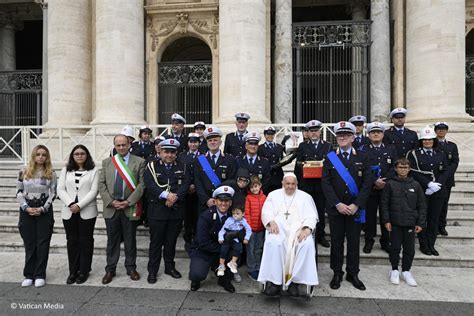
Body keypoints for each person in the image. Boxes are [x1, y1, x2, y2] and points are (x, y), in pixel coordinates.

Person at [321, 121, 372, 291]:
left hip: (354, 210)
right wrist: (337, 203)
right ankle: (337, 272)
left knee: (353, 242)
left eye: (346, 135)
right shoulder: (330, 157)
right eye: (339, 135)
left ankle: (353, 273)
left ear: (353, 137)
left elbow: (367, 183)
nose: (342, 137)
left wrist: (357, 205)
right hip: (337, 209)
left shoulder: (363, 157)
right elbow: (326, 183)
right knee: (336, 242)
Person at [258, 173, 319, 298]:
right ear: (282, 183)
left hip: (298, 231)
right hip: (278, 230)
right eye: (287, 183)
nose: (290, 186)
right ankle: (275, 282)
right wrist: (271, 221)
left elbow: (312, 216)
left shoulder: (305, 197)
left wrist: (307, 229)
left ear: (297, 184)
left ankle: (295, 283)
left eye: (293, 184)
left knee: (306, 244)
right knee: (274, 243)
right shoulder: (273, 195)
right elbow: (266, 212)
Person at [98, 134, 145, 284]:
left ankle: (131, 267)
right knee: (112, 241)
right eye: (118, 145)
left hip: (129, 207)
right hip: (112, 208)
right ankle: (110, 269)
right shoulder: (107, 162)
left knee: (130, 239)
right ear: (114, 146)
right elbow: (101, 184)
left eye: (124, 144)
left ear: (129, 144)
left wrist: (128, 201)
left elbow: (142, 185)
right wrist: (111, 201)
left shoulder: (140, 162)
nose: (121, 147)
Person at [144, 139, 190, 283]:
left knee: (171, 242)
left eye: (172, 152)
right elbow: (149, 184)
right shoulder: (152, 166)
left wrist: (175, 197)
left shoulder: (183, 166)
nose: (169, 155)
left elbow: (186, 184)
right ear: (160, 152)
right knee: (156, 243)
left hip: (175, 211)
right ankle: (152, 270)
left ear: (176, 153)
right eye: (166, 151)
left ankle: (169, 267)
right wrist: (166, 195)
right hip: (157, 211)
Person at [381, 158, 427, 287]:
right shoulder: (390, 184)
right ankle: (394, 269)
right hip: (394, 222)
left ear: (409, 169)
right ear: (395, 169)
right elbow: (384, 204)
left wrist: (420, 222)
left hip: (410, 222)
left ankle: (406, 271)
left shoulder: (416, 185)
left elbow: (422, 205)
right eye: (400, 167)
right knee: (394, 247)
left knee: (409, 249)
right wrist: (386, 220)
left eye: (405, 167)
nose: (403, 170)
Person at [16, 145, 57, 288]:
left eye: (44, 155)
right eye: (38, 154)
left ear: (47, 157)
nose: (41, 157)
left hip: (43, 210)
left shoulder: (51, 173)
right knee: (30, 243)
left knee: (43, 243)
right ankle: (28, 274)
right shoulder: (23, 171)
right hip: (27, 209)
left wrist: (42, 208)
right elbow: (19, 192)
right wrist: (26, 208)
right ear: (33, 156)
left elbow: (53, 193)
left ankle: (40, 274)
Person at [57, 145, 98, 285]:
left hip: (87, 210)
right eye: (76, 154)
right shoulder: (65, 170)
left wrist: (79, 205)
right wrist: (70, 204)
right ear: (72, 156)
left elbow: (94, 191)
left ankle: (84, 271)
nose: (79, 156)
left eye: (82, 153)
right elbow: (60, 189)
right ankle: (73, 271)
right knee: (72, 241)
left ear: (87, 155)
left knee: (86, 241)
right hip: (68, 211)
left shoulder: (93, 171)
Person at [407, 126, 448, 256]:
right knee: (422, 219)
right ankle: (424, 245)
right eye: (424, 140)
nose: (427, 142)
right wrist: (428, 184)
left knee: (434, 219)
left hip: (438, 191)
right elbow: (412, 171)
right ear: (421, 141)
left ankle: (432, 244)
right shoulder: (414, 154)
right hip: (422, 190)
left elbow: (446, 171)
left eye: (430, 139)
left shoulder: (441, 153)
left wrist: (438, 184)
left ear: (434, 140)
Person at [188, 186, 237, 293]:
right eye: (220, 200)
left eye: (226, 201)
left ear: (230, 203)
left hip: (221, 251)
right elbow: (203, 243)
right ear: (215, 201)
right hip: (203, 250)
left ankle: (224, 280)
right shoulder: (206, 216)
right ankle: (195, 280)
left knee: (235, 251)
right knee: (198, 273)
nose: (223, 204)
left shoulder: (233, 217)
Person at [359, 122, 396, 254]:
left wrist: (385, 181)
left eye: (378, 132)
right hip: (370, 189)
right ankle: (369, 240)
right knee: (370, 217)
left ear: (383, 134)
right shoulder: (363, 149)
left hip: (386, 188)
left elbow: (395, 167)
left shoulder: (391, 149)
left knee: (386, 215)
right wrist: (375, 181)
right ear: (368, 135)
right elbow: (361, 168)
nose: (375, 134)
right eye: (373, 132)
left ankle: (386, 241)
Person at [295, 120, 332, 248]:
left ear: (320, 132)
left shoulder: (328, 146)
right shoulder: (302, 146)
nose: (314, 133)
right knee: (306, 211)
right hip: (306, 185)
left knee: (320, 211)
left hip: (322, 185)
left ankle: (320, 235)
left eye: (316, 130)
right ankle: (307, 233)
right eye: (311, 131)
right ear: (308, 133)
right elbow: (298, 165)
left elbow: (332, 165)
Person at [194, 126, 237, 212]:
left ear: (220, 142)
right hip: (205, 204)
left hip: (223, 203)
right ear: (206, 142)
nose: (212, 142)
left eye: (215, 140)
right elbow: (197, 182)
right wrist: (206, 200)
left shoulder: (229, 160)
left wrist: (221, 199)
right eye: (210, 140)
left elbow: (231, 180)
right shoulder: (200, 160)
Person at [434, 122, 459, 236]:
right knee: (433, 204)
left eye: (443, 129)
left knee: (444, 204)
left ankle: (441, 226)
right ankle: (433, 226)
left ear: (446, 130)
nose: (441, 131)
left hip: (447, 180)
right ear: (435, 131)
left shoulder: (452, 146)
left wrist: (446, 176)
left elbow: (455, 162)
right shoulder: (431, 143)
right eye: (438, 129)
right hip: (433, 180)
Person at [178, 133, 202, 248]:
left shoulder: (203, 156)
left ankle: (197, 239)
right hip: (186, 193)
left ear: (199, 143)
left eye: (195, 142)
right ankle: (187, 239)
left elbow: (203, 176)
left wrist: (196, 186)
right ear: (188, 143)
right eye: (191, 142)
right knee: (187, 218)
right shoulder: (182, 156)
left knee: (198, 217)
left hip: (199, 192)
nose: (193, 144)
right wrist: (187, 186)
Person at [217, 205, 252, 278]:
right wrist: (220, 237)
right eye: (233, 214)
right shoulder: (229, 220)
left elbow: (249, 230)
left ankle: (233, 262)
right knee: (223, 250)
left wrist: (246, 238)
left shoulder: (244, 221)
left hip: (236, 238)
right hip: (227, 237)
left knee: (239, 249)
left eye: (237, 213)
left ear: (243, 214)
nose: (235, 215)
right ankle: (221, 265)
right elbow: (223, 229)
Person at [244, 175, 266, 281]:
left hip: (261, 229)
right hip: (251, 230)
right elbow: (247, 214)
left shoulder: (264, 198)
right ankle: (251, 269)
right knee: (250, 250)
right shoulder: (248, 198)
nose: (254, 189)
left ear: (260, 186)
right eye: (252, 187)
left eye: (256, 186)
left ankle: (258, 267)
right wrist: (248, 227)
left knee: (258, 249)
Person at [258, 126, 284, 193]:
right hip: (267, 177)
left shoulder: (279, 147)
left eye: (272, 134)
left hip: (278, 177)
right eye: (268, 134)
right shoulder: (260, 148)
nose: (270, 136)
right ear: (264, 135)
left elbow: (282, 159)